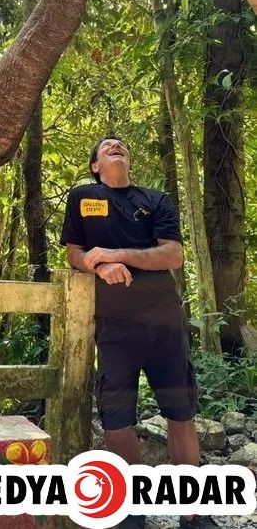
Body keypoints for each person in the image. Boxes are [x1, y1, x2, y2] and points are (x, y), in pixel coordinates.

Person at [60, 135, 220, 529]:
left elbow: (173, 254)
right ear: (95, 165)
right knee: (117, 419)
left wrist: (117, 254)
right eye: (105, 146)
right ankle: (130, 510)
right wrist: (98, 267)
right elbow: (76, 254)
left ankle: (193, 513)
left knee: (180, 413)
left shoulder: (155, 200)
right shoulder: (83, 197)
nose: (116, 146)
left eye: (121, 144)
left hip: (165, 322)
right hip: (114, 326)